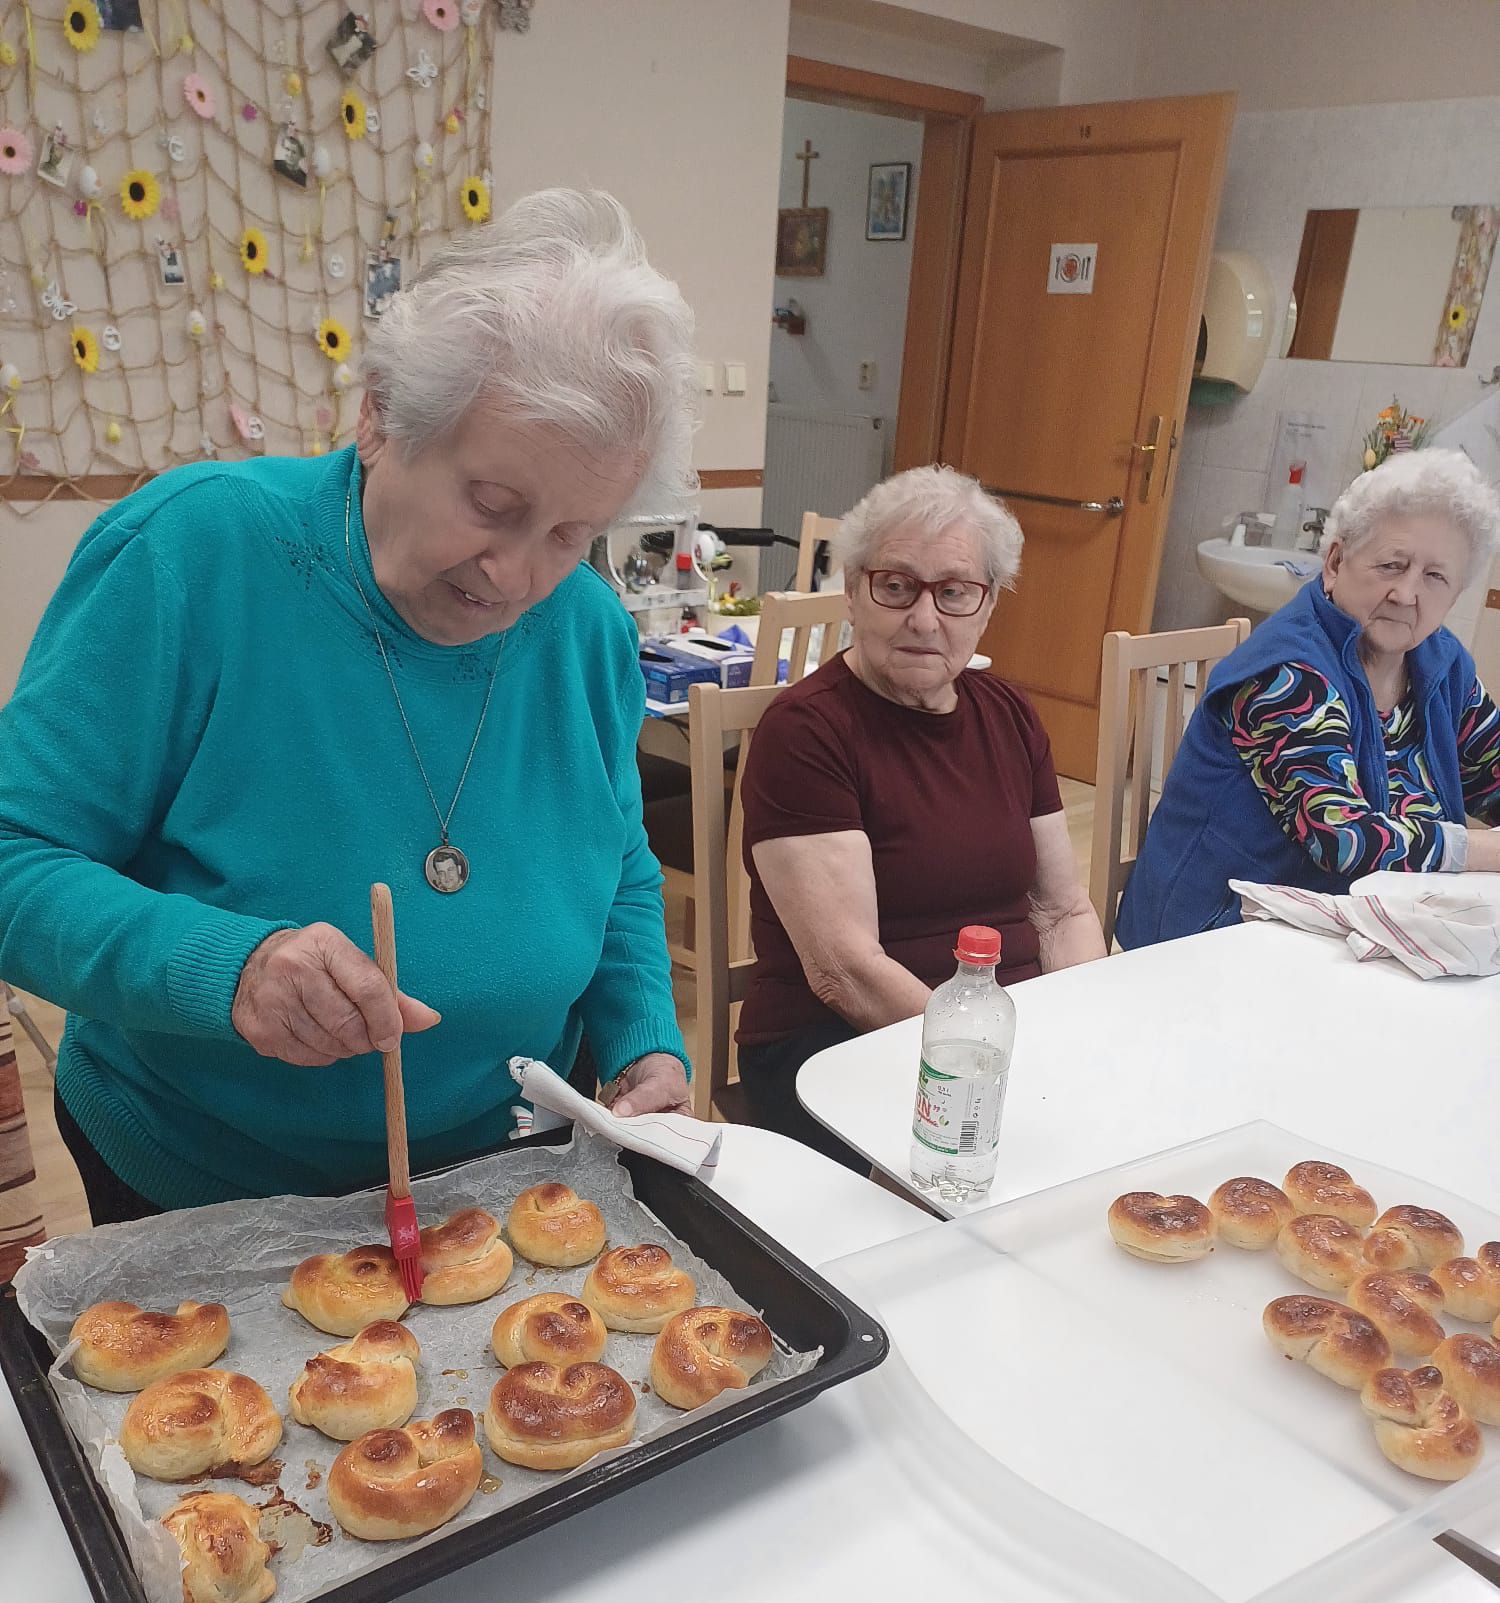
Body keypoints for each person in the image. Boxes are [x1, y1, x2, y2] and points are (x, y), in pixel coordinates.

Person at [0, 189, 696, 1222]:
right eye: (493, 509)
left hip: (495, 1173)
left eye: (570, 533)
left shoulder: (587, 629)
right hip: (203, 1176)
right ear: (377, 415)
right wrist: (229, 968)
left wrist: (643, 1031)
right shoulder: (196, 555)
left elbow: (619, 865)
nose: (517, 578)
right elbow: (17, 856)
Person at [736, 464, 1105, 1166]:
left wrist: (1070, 1038)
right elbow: (845, 971)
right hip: (846, 1049)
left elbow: (1064, 914)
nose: (925, 618)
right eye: (897, 585)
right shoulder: (808, 731)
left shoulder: (1009, 715)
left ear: (988, 604)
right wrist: (983, 1068)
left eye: (955, 591)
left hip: (1008, 1044)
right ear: (852, 590)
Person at [1117, 448, 1500, 947]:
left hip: (1362, 929)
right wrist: (1487, 851)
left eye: (1434, 576)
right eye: (1391, 565)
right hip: (1220, 935)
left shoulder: (1441, 663)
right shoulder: (1285, 673)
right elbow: (1341, 837)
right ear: (1336, 562)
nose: (1407, 594)